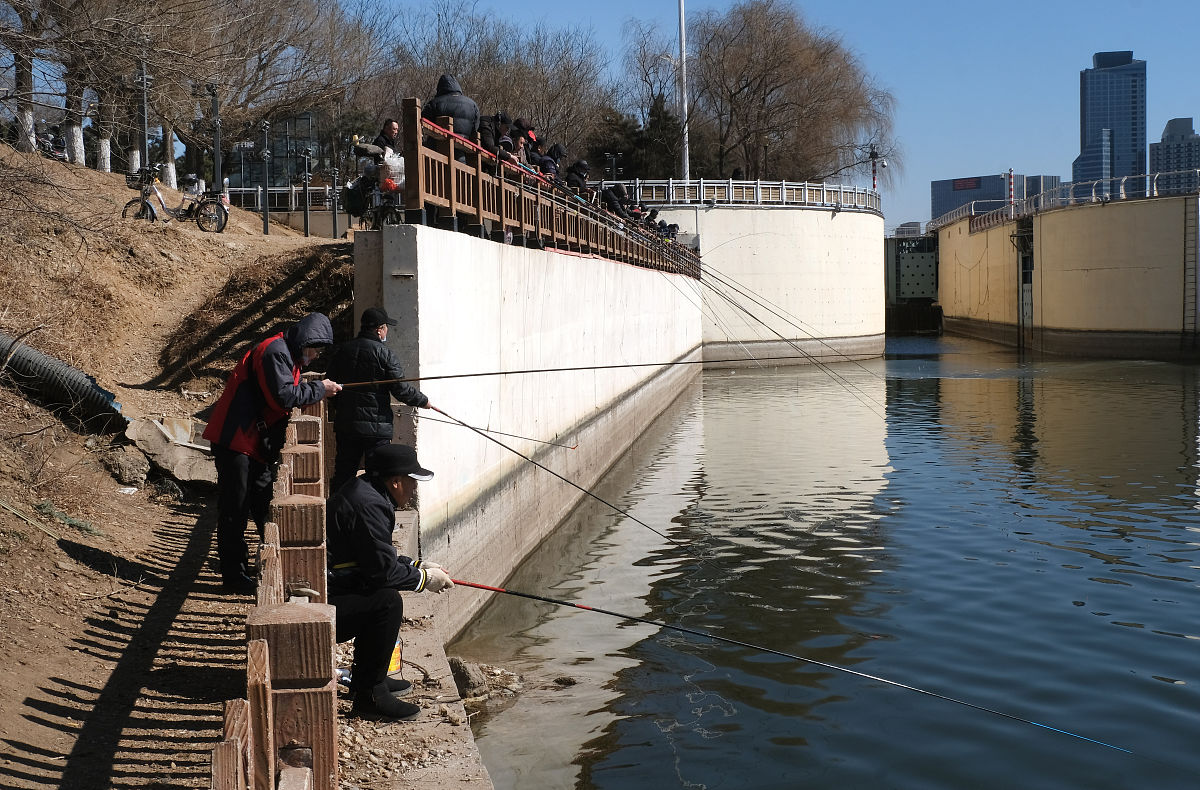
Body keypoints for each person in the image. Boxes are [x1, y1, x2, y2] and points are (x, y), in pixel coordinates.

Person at [202, 313, 342, 593]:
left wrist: (313, 389)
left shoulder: (285, 353)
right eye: (314, 349)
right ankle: (233, 575)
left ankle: (266, 564)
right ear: (306, 342)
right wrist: (319, 388)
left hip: (252, 443)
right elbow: (284, 397)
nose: (315, 356)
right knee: (235, 509)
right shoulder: (275, 352)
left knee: (264, 504)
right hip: (237, 441)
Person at [326, 444, 454, 720]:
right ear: (395, 481)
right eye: (412, 481)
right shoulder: (370, 505)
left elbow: (373, 556)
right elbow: (381, 573)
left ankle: (370, 676)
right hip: (323, 607)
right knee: (387, 603)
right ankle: (370, 696)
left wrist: (416, 565)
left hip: (334, 587)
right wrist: (425, 579)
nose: (414, 489)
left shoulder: (366, 491)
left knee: (381, 596)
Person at [326, 307, 433, 493]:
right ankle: (374, 506)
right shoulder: (385, 354)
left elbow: (330, 385)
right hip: (376, 430)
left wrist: (340, 409)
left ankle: (337, 507)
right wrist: (423, 401)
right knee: (377, 474)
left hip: (347, 425)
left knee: (344, 472)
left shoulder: (343, 351)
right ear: (379, 329)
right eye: (386, 327)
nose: (386, 332)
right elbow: (400, 389)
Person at [421, 74, 479, 141]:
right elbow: (475, 129)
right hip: (464, 145)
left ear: (440, 87)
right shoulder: (473, 105)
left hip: (437, 145)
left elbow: (422, 123)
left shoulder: (434, 103)